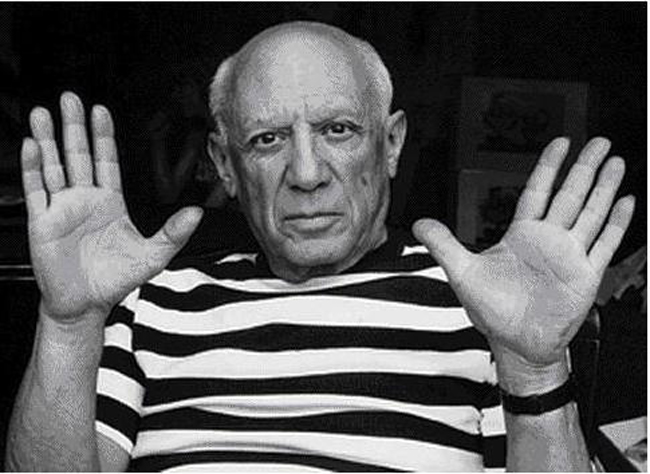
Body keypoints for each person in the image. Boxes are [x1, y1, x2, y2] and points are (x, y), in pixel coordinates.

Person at [6, 21, 635, 471]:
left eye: (338, 130)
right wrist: (69, 328)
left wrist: (534, 372)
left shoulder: (484, 305)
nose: (306, 174)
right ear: (224, 165)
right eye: (267, 140)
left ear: (391, 144)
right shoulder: (154, 303)